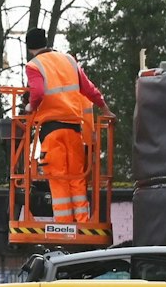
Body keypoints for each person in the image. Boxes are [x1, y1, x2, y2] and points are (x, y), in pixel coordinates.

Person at [24, 28, 111, 228]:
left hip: (51, 131)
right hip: (74, 130)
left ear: (29, 48)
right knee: (77, 178)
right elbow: (88, 88)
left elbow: (37, 92)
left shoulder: (34, 65)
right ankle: (82, 224)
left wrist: (30, 107)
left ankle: (63, 227)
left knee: (59, 179)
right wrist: (104, 109)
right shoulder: (69, 60)